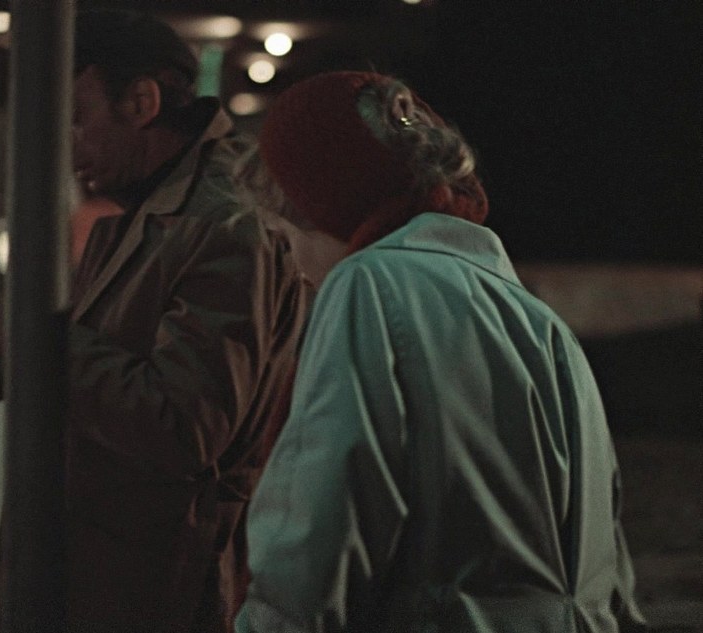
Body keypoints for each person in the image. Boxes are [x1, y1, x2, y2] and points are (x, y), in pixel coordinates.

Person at [232, 71, 646, 633]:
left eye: (284, 236)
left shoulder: (371, 284)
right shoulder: (540, 321)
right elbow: (607, 556)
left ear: (325, 207)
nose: (297, 269)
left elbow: (322, 519)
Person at [0, 10, 308, 633]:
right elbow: (109, 365)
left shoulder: (220, 226)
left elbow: (183, 426)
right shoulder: (151, 210)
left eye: (78, 119)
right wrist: (11, 368)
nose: (69, 148)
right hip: (107, 574)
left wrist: (25, 340)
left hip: (149, 586)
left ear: (141, 102)